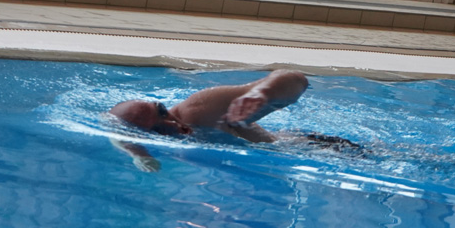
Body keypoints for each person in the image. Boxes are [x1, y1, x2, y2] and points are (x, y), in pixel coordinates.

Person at [109, 69, 350, 171]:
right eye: (159, 130)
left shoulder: (199, 110)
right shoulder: (163, 147)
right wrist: (137, 153)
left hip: (320, 149)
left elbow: (297, 80)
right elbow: (111, 126)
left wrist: (262, 92)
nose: (172, 124)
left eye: (163, 111)